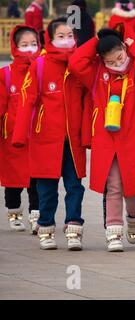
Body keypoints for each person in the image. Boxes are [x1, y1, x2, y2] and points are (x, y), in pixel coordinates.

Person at [68, 27, 135, 252]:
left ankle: (134, 217)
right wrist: (97, 40)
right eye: (111, 60)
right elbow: (76, 63)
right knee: (114, 185)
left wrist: (133, 44)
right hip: (107, 140)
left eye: (120, 56)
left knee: (134, 188)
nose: (117, 63)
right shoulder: (98, 73)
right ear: (102, 60)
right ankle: (114, 232)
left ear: (124, 50)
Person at [12, 17, 88, 251]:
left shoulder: (81, 64)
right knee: (46, 188)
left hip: (73, 140)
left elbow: (90, 99)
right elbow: (27, 100)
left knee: (75, 186)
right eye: (60, 36)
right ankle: (46, 227)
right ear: (50, 39)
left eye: (70, 36)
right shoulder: (41, 65)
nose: (66, 41)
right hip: (45, 138)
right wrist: (19, 135)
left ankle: (73, 227)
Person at [0, 25, 41, 234]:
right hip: (13, 138)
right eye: (24, 45)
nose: (30, 49)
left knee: (36, 179)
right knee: (13, 179)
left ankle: (36, 215)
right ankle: (14, 212)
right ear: (15, 47)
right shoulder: (5, 74)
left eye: (33, 44)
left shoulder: (42, 70)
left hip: (36, 135)